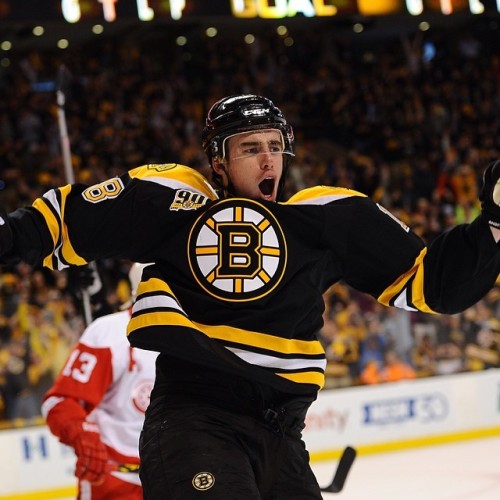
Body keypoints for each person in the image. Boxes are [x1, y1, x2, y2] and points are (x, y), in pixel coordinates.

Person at [0, 94, 499, 499]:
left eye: (275, 146)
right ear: (218, 161)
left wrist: (491, 225)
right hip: (195, 423)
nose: (267, 158)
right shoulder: (173, 199)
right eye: (249, 148)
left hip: (283, 436)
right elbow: (65, 219)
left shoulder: (323, 216)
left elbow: (432, 284)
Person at [41, 263, 157, 500]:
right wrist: (82, 434)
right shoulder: (109, 332)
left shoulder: (201, 335)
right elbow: (61, 401)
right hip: (114, 481)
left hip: (179, 477)